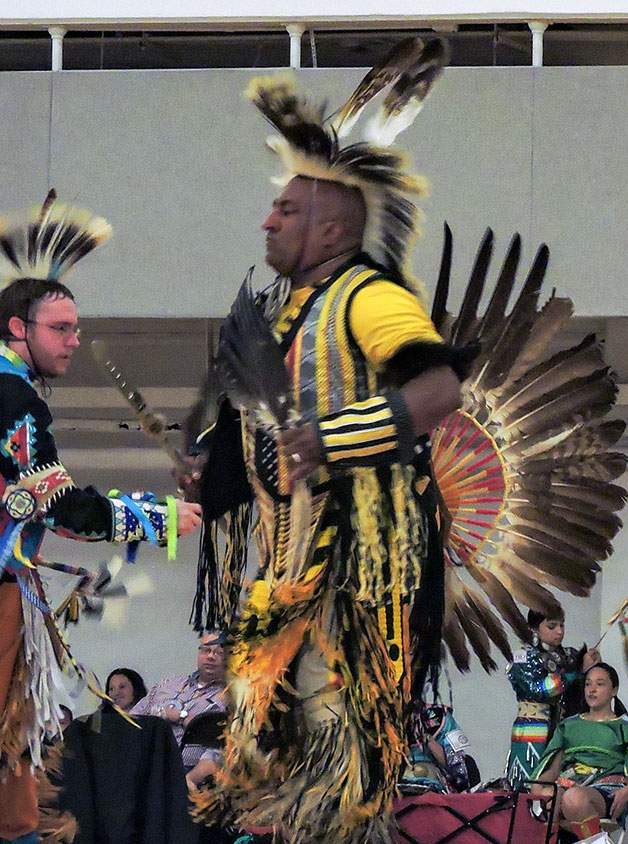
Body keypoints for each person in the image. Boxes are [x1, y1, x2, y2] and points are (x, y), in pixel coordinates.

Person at [181, 40, 467, 844]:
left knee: (340, 746)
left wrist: (331, 438)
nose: (269, 220)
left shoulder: (366, 297)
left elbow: (439, 387)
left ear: (335, 224)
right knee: (271, 752)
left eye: (288, 210)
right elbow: (254, 441)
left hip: (357, 569)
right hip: (281, 570)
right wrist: (208, 468)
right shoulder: (281, 314)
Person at [0, 193, 203, 844]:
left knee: (16, 746)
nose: (74, 339)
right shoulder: (12, 396)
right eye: (60, 327)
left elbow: (33, 504)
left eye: (75, 326)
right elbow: (56, 504)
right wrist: (155, 518)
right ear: (16, 328)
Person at [532, 663, 628, 844]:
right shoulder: (569, 725)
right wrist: (538, 789)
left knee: (573, 798)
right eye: (588, 684)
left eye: (600, 684)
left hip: (607, 791)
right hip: (568, 784)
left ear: (614, 690)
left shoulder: (627, 727)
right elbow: (552, 765)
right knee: (547, 798)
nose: (592, 690)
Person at [507, 610, 600, 783]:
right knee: (529, 785)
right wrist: (575, 672)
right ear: (535, 628)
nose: (560, 631)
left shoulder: (571, 655)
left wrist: (593, 667)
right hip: (533, 731)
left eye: (562, 625)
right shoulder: (522, 657)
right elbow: (537, 689)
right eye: (552, 626)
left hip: (567, 730)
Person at [131, 632, 229, 791]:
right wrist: (156, 715)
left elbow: (219, 745)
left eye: (219, 652)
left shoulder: (227, 696)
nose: (211, 656)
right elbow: (132, 719)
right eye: (206, 650)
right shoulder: (169, 683)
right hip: (143, 762)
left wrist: (181, 717)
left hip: (183, 769)